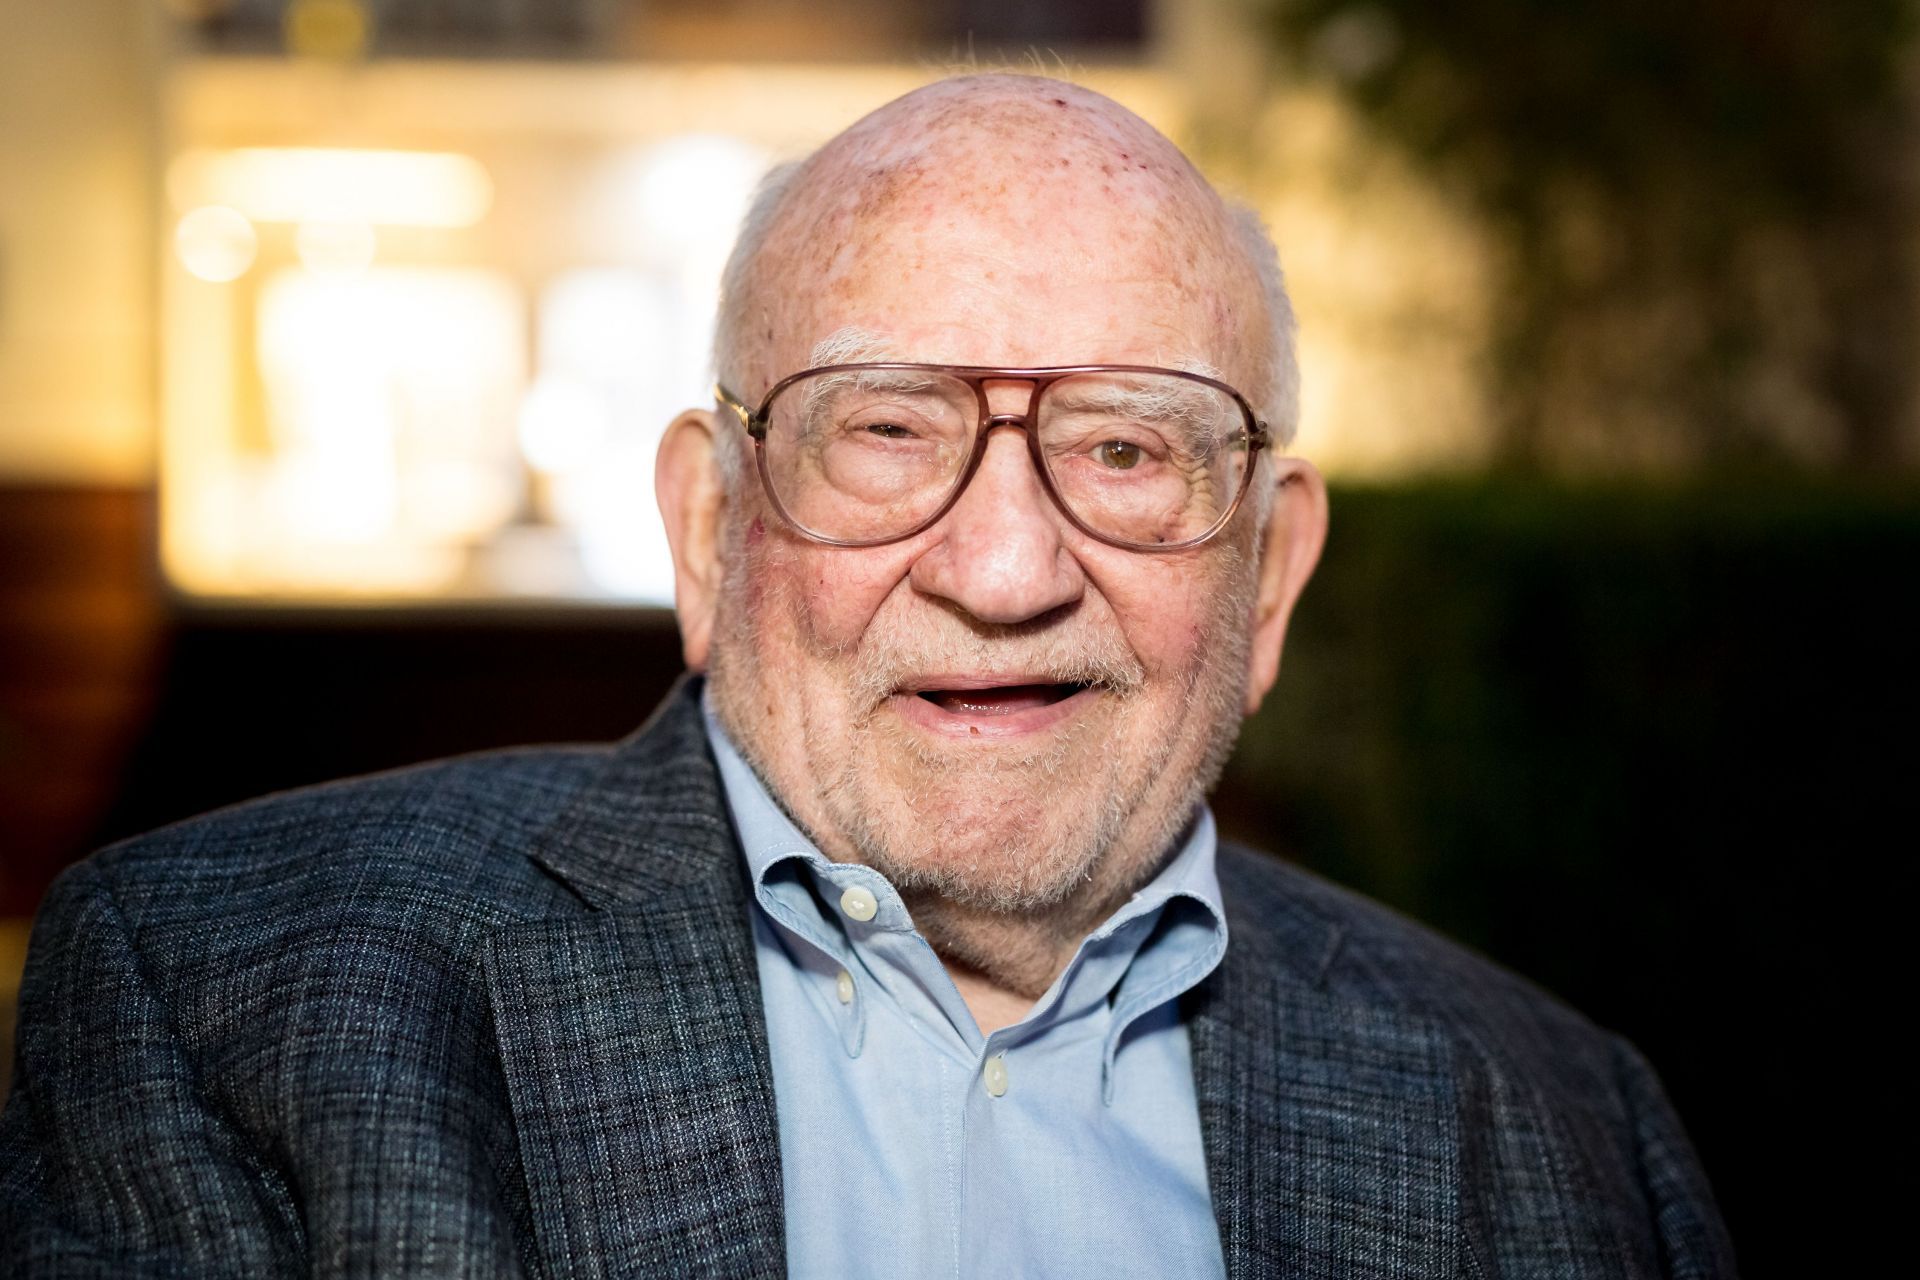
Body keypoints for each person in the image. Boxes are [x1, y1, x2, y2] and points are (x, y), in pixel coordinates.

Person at [0, 75, 1735, 1278]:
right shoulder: (228, 1004)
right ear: (706, 532)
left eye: (1130, 450)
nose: (1003, 570)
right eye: (887, 433)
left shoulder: (1569, 1134)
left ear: (1269, 571)